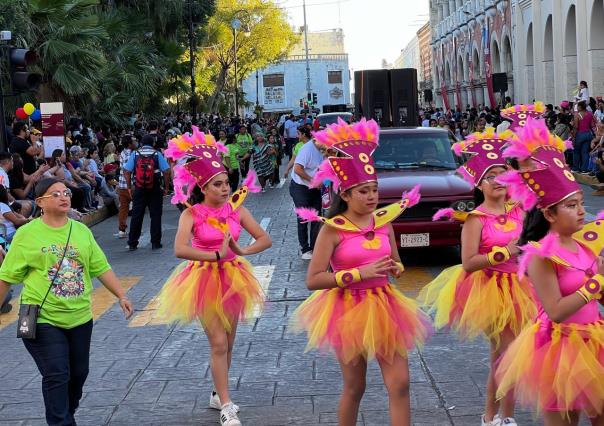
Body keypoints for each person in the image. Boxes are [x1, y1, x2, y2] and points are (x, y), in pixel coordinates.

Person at [292, 118, 431, 426]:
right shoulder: (332, 231)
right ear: (345, 195)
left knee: (400, 384)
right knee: (356, 387)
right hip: (347, 309)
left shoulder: (384, 223)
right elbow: (313, 280)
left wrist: (397, 267)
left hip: (386, 306)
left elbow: (396, 262)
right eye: (363, 191)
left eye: (374, 190)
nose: (371, 197)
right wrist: (359, 273)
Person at [420, 127, 537, 426]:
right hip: (489, 290)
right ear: (480, 184)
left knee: (502, 355)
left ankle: (493, 416)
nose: (498, 181)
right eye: (490, 177)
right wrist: (506, 252)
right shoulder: (475, 219)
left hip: (521, 287)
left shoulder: (519, 210)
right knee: (509, 352)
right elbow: (469, 262)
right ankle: (501, 416)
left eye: (502, 173)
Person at [494, 119, 604, 426]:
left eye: (581, 203)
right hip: (560, 346)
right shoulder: (539, 256)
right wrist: (596, 283)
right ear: (549, 213)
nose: (581, 211)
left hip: (594, 341)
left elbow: (598, 299)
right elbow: (555, 310)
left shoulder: (586, 247)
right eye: (571, 206)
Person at [158, 128, 271, 426]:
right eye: (218, 184)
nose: (225, 189)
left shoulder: (237, 210)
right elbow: (180, 249)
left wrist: (241, 250)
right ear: (203, 187)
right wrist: (215, 256)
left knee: (229, 342)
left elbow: (264, 239)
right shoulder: (191, 214)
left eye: (226, 183)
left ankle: (217, 394)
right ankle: (227, 405)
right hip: (203, 280)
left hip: (234, 278)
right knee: (219, 343)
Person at [0, 177, 134, 426]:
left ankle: (65, 414)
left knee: (78, 375)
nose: (64, 197)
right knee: (57, 374)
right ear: (40, 202)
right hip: (40, 317)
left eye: (66, 193)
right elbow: (6, 276)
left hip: (80, 317)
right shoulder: (26, 235)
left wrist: (121, 295)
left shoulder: (81, 230)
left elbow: (100, 267)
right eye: (56, 194)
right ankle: (61, 422)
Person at [124, 134, 171, 251]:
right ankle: (155, 243)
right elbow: (166, 171)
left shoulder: (135, 154)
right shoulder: (157, 154)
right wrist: (165, 187)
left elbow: (127, 171)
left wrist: (129, 186)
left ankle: (132, 242)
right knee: (155, 215)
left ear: (141, 143)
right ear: (153, 143)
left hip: (139, 188)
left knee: (136, 215)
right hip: (154, 188)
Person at [289, 125, 323, 260]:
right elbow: (297, 169)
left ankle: (314, 247)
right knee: (303, 218)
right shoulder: (307, 149)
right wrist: (313, 180)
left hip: (314, 187)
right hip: (300, 186)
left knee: (316, 217)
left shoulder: (323, 150)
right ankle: (305, 248)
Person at [115, 134, 137, 238]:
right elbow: (129, 171)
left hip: (122, 184)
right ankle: (134, 230)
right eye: (133, 141)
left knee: (123, 208)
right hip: (130, 185)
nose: (135, 142)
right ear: (129, 144)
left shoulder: (122, 153)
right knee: (137, 207)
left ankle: (121, 230)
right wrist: (131, 185)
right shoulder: (131, 154)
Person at [572, 101, 596, 174]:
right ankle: (584, 169)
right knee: (585, 152)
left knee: (576, 152)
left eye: (578, 106)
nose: (577, 108)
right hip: (588, 134)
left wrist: (573, 136)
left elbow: (576, 127)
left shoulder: (577, 115)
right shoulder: (590, 114)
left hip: (580, 134)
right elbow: (592, 125)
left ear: (580, 107)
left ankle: (576, 168)